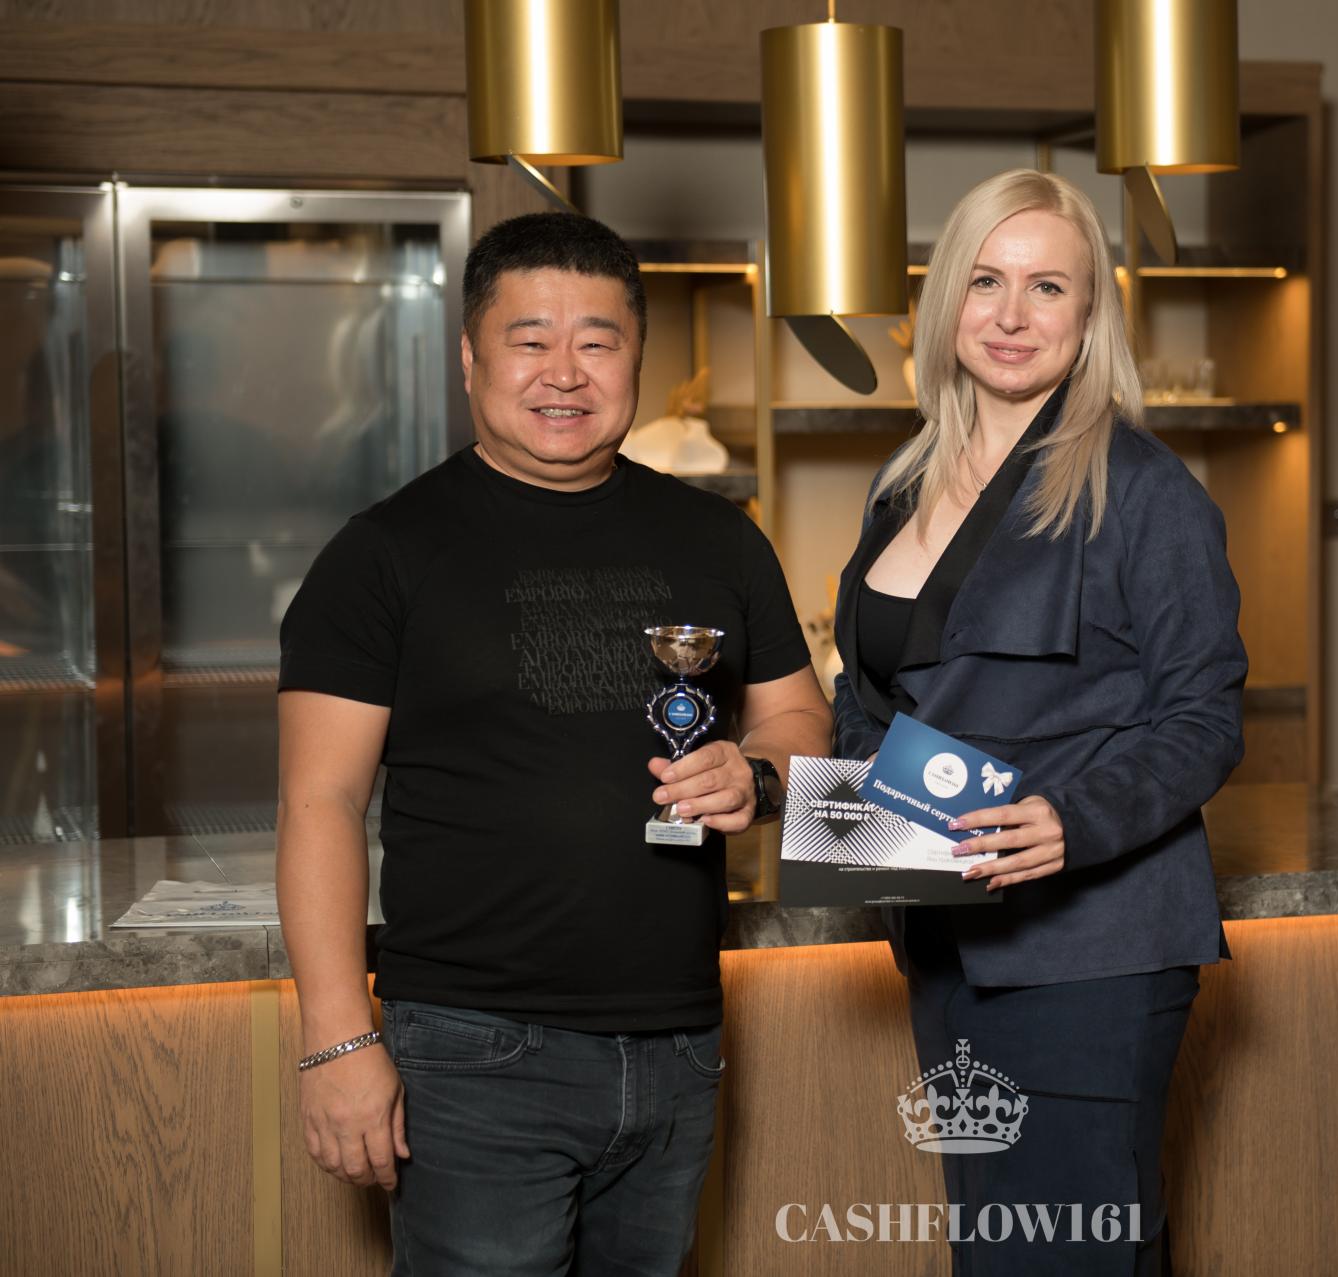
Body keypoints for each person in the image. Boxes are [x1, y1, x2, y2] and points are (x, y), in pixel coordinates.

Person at [276, 211, 830, 1276]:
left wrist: (758, 777)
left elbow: (802, 721)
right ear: (471, 357)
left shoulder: (720, 537)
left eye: (598, 340)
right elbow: (319, 802)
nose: (564, 372)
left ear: (637, 358)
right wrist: (339, 1040)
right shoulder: (383, 553)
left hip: (678, 1038)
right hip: (473, 1051)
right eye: (530, 340)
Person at [832, 170, 1247, 1275]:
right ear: (946, 302)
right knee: (1001, 1249)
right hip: (944, 937)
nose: (1012, 315)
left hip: (1090, 952)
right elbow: (865, 693)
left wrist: (1075, 815)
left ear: (1090, 310)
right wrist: (856, 817)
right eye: (986, 281)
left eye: (1047, 286)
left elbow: (1206, 714)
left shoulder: (1144, 490)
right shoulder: (902, 484)